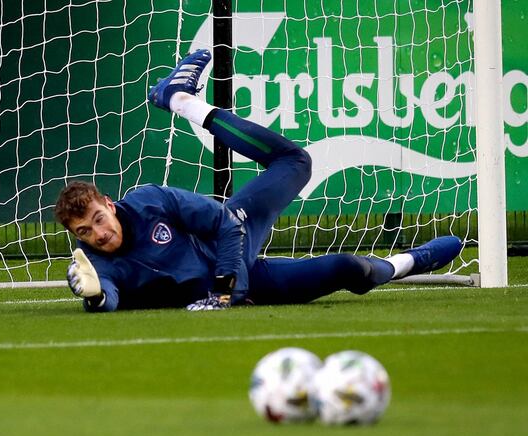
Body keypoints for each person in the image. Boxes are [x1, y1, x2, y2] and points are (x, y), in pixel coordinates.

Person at [54, 49, 463, 312]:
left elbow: (224, 224)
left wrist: (226, 288)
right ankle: (411, 261)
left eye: (97, 218)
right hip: (250, 286)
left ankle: (180, 100)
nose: (98, 234)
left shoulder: (148, 201)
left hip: (232, 244)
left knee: (294, 160)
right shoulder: (94, 260)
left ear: (108, 203)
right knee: (346, 269)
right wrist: (93, 295)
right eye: (84, 231)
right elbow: (107, 295)